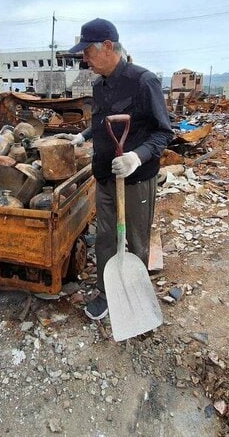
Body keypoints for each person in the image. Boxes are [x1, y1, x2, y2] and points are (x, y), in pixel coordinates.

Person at [60, 18, 173, 320]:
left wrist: (137, 156)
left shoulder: (143, 82)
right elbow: (101, 123)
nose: (84, 59)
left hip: (136, 179)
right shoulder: (99, 85)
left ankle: (135, 296)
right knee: (107, 236)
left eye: (88, 52)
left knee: (136, 239)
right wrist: (82, 136)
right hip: (106, 176)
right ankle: (106, 292)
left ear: (108, 47)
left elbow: (164, 132)